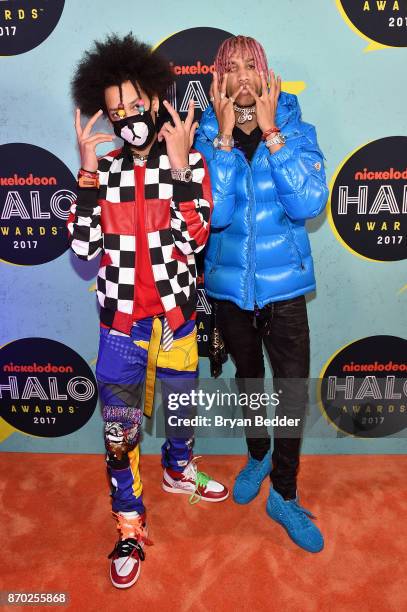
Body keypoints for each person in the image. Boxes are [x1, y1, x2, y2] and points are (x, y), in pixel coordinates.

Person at [68, 33, 228, 590]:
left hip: (178, 319)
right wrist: (88, 174)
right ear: (107, 119)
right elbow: (84, 251)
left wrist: (182, 170)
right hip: (121, 328)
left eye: (137, 105)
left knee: (179, 413)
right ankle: (129, 526)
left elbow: (197, 237)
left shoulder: (190, 160)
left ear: (156, 100)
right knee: (120, 433)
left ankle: (179, 469)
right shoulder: (105, 171)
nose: (129, 117)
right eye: (117, 112)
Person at [194, 35, 328, 553]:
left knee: (291, 394)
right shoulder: (204, 139)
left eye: (253, 66)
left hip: (286, 290)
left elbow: (310, 203)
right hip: (229, 291)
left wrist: (272, 133)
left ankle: (285, 495)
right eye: (233, 68)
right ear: (219, 80)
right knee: (250, 384)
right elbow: (217, 217)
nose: (244, 76)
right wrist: (224, 140)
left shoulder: (298, 129)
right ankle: (257, 456)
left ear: (267, 74)